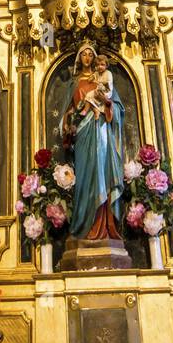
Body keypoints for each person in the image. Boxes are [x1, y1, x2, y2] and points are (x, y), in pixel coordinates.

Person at [62, 44, 125, 240]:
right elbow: (69, 109)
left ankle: (105, 227)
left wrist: (107, 103)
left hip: (101, 129)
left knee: (101, 173)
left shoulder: (103, 78)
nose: (88, 58)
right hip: (83, 132)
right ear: (79, 58)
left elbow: (117, 107)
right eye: (84, 55)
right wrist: (68, 122)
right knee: (84, 177)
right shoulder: (75, 82)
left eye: (91, 55)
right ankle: (84, 224)